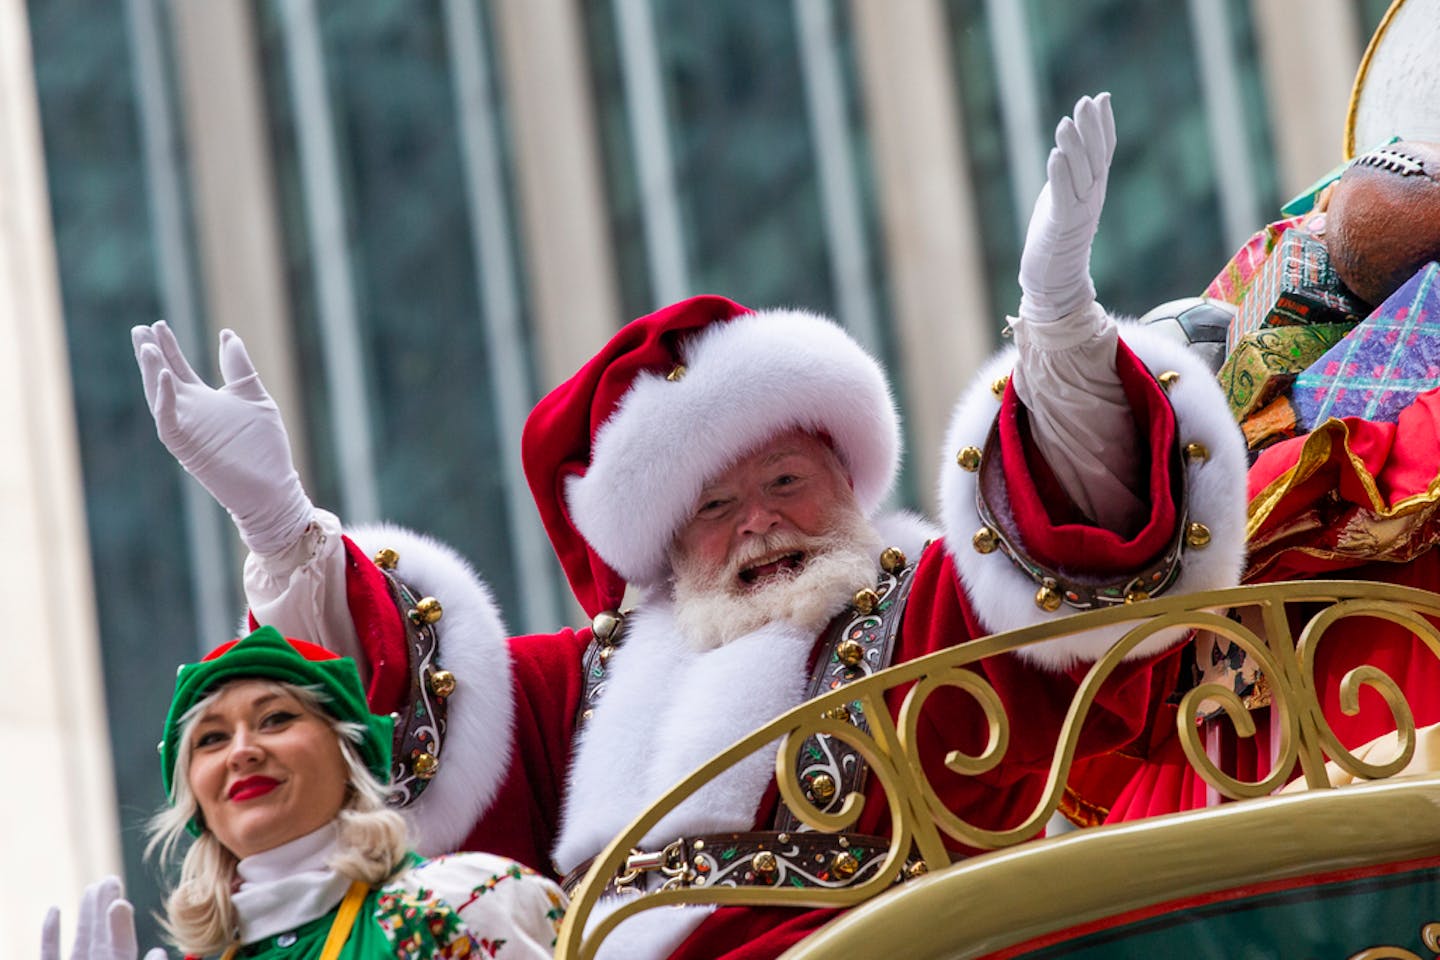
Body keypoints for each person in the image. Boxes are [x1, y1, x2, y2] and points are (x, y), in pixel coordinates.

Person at [130, 94, 1251, 959]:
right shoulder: (593, 687)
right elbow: (388, 714)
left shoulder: (925, 606)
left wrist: (1061, 337)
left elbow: (1073, 534)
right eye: (714, 507)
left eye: (787, 480)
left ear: (848, 479)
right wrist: (283, 530)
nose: (759, 525)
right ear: (668, 548)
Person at [43, 626, 565, 959]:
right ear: (196, 800)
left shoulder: (459, 907)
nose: (241, 751)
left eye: (275, 718)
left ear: (350, 756)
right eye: (212, 739)